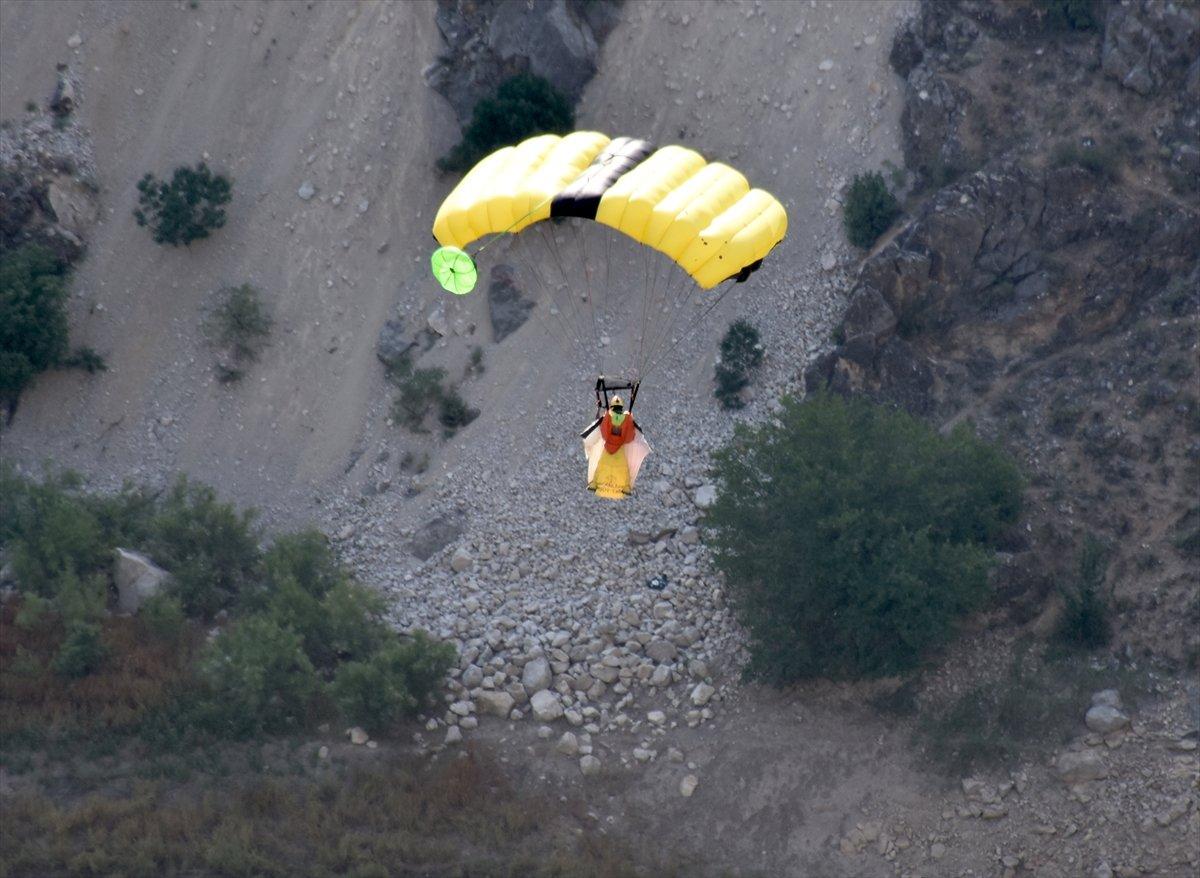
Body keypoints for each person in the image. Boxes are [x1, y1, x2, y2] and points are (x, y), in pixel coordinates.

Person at [582, 384, 650, 499]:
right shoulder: (627, 418)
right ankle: (626, 487)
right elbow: (629, 437)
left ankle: (594, 484)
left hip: (607, 448)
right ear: (621, 407)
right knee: (623, 468)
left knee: (601, 466)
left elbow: (603, 432)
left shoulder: (608, 416)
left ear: (612, 406)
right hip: (620, 450)